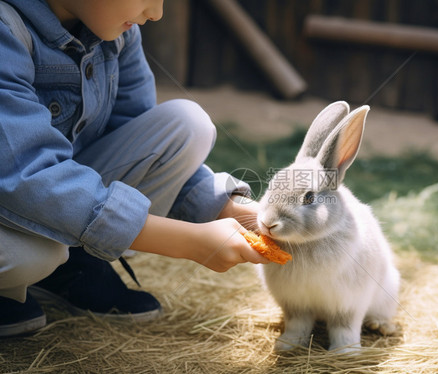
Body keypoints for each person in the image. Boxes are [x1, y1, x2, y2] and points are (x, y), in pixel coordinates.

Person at [0, 0, 269, 338]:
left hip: (43, 200)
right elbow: (26, 175)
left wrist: (231, 212)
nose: (156, 13)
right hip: (15, 193)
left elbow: (134, 134)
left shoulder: (115, 33)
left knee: (187, 124)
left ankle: (71, 267)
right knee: (33, 255)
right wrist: (189, 242)